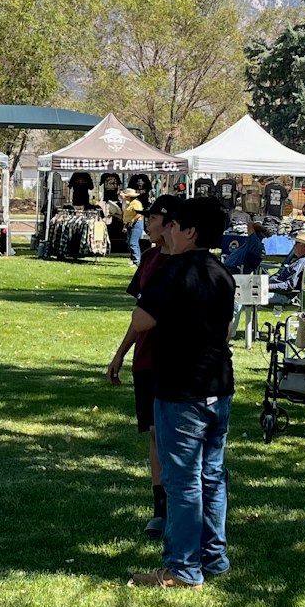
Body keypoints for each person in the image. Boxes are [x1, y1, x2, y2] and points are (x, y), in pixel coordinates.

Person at [111, 196, 235, 589]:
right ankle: (213, 557)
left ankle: (182, 569)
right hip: (219, 385)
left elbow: (142, 317)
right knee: (212, 475)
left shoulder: (176, 268)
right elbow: (227, 328)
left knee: (183, 481)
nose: (165, 230)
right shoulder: (222, 271)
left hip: (182, 387)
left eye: (172, 225)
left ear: (190, 231)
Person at [107, 194, 180, 541]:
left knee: (174, 433)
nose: (146, 223)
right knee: (154, 431)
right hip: (147, 361)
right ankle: (160, 507)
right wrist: (121, 352)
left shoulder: (188, 263)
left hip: (179, 361)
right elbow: (140, 316)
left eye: (152, 217)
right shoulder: (149, 259)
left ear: (171, 223)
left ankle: (184, 506)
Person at [267, 227, 305, 304]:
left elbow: (290, 285)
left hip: (281, 295)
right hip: (277, 291)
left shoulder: (302, 262)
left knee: (245, 295)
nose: (294, 246)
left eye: (297, 243)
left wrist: (267, 287)